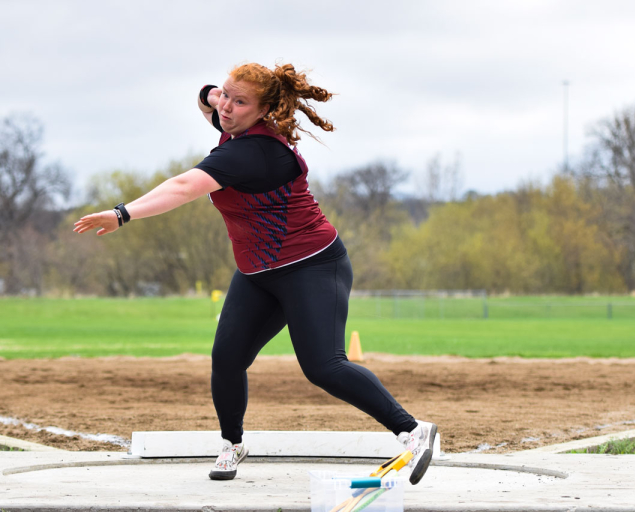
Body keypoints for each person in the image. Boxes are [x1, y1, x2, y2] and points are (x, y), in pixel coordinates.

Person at [73, 62, 437, 485]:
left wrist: (123, 213)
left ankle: (413, 431)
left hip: (311, 266)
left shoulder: (252, 152)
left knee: (324, 365)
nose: (226, 107)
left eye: (239, 101)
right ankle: (233, 443)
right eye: (226, 95)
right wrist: (215, 93)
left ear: (263, 111)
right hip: (258, 272)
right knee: (226, 358)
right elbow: (206, 100)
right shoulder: (232, 123)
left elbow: (183, 188)